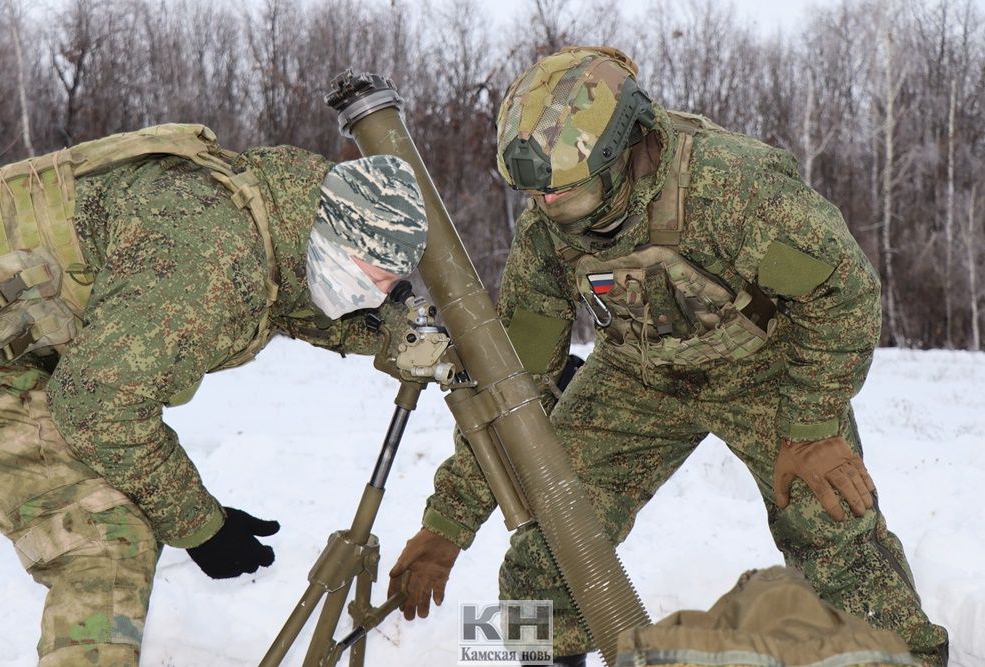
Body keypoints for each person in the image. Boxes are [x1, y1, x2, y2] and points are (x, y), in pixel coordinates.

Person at [387, 47, 949, 666]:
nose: (547, 211)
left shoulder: (730, 189)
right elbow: (512, 380)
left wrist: (813, 425)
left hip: (762, 368)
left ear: (623, 150)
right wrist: (447, 523)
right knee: (548, 538)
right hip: (637, 375)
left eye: (563, 195)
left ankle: (908, 657)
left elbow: (845, 291)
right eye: (533, 195)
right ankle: (537, 659)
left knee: (830, 520)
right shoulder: (546, 228)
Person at [0, 123, 427, 666]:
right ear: (335, 240)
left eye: (392, 283)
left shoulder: (271, 213)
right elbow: (97, 407)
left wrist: (414, 334)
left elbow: (300, 301)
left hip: (16, 345)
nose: (379, 294)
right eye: (375, 277)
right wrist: (203, 527)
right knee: (104, 542)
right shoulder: (212, 257)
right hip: (1, 361)